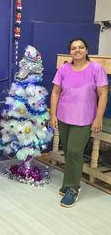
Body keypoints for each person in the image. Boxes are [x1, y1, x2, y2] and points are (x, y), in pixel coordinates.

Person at [50, 37, 108, 208]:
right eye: (74, 48)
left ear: (86, 50)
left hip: (84, 118)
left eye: (81, 47)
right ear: (70, 51)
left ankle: (73, 188)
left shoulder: (96, 69)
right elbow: (55, 93)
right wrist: (53, 115)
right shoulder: (64, 69)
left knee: (75, 151)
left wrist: (98, 117)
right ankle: (68, 182)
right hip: (64, 116)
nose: (77, 50)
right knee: (68, 151)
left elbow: (103, 94)